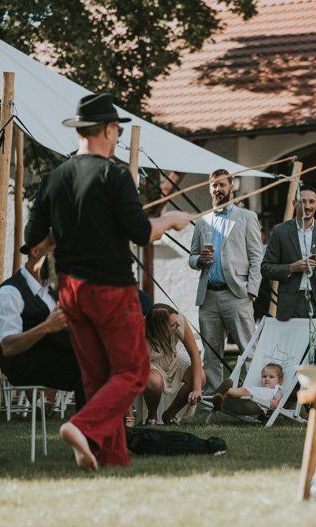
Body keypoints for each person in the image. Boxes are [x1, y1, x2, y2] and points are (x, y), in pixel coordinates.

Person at [24, 92, 192, 471]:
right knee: (132, 372)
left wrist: (60, 236)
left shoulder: (54, 178)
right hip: (110, 289)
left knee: (99, 377)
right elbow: (138, 231)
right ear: (105, 129)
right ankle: (82, 426)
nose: (118, 136)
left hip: (70, 290)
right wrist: (170, 220)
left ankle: (112, 457)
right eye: (116, 129)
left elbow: (34, 243)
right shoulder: (114, 175)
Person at [188, 168, 264, 392]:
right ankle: (215, 399)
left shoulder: (247, 217)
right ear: (209, 189)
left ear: (232, 186)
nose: (218, 189)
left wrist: (251, 291)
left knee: (248, 349)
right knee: (210, 353)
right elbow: (192, 257)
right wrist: (199, 260)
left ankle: (254, 396)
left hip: (237, 295)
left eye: (222, 184)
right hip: (208, 295)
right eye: (214, 185)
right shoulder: (202, 221)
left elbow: (256, 257)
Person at [0, 245, 87, 411]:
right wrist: (47, 326)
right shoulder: (10, 292)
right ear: (35, 251)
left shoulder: (50, 289)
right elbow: (8, 346)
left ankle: (107, 433)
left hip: (54, 355)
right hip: (23, 365)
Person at [261, 185, 316, 363]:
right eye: (303, 201)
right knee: (292, 354)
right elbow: (266, 268)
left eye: (311, 202)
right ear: (294, 203)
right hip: (292, 301)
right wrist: (291, 268)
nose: (307, 206)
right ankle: (295, 391)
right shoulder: (280, 231)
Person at [142, 304, 206, 425]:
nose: (178, 325)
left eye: (177, 322)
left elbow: (195, 355)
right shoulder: (139, 330)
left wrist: (197, 389)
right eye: (172, 325)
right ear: (159, 328)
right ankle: (152, 416)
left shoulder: (179, 321)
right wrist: (129, 417)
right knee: (154, 381)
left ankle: (170, 414)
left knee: (200, 376)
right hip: (151, 362)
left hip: (173, 355)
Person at [211, 362, 285, 416]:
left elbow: (279, 395)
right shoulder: (259, 387)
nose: (267, 379)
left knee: (244, 390)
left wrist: (276, 401)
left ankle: (225, 391)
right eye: (264, 376)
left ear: (280, 380)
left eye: (271, 377)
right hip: (244, 399)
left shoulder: (276, 389)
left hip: (256, 404)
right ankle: (220, 400)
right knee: (236, 395)